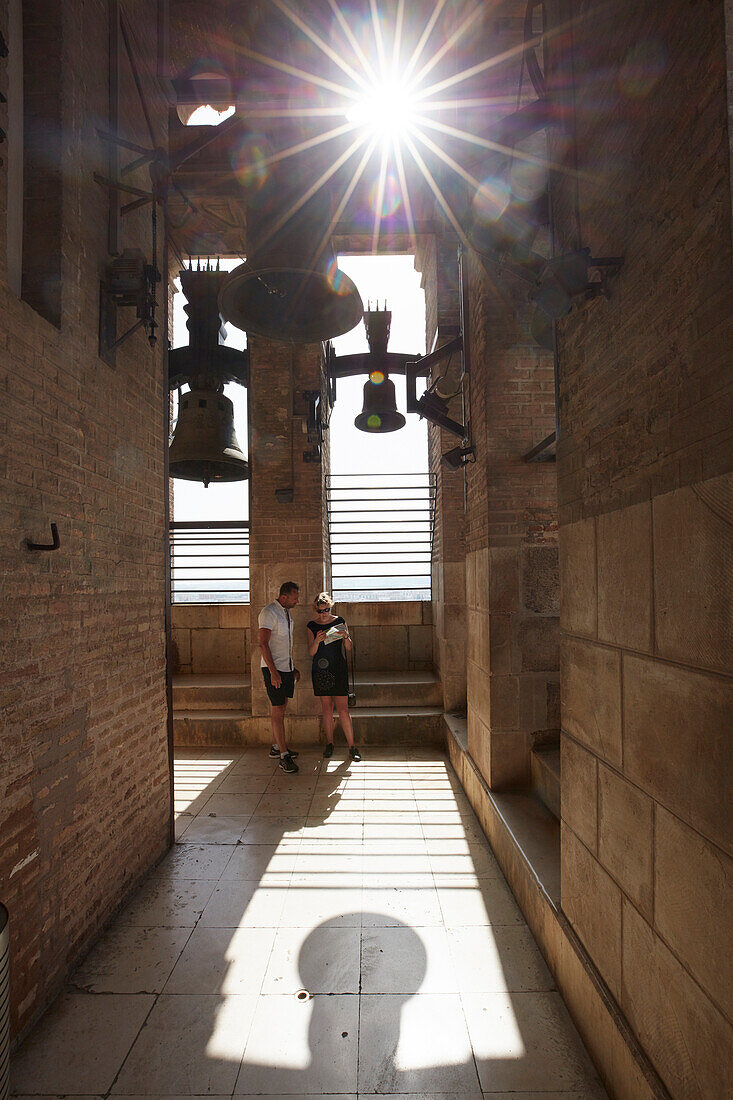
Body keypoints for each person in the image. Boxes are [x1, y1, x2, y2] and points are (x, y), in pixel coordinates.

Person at [307, 592, 361, 761]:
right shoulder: (311, 625)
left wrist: (346, 636)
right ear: (316, 610)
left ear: (331, 607)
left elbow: (349, 647)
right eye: (320, 611)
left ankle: (352, 746)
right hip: (321, 670)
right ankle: (329, 744)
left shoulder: (339, 621)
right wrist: (317, 641)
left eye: (326, 610)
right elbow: (311, 652)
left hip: (338, 668)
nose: (323, 615)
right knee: (327, 709)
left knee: (343, 710)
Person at [258, 581, 301, 773]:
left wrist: (292, 668)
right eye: (295, 597)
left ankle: (277, 747)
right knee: (278, 711)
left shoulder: (285, 612)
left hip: (286, 668)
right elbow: (263, 644)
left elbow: (284, 643)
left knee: (282, 706)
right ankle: (284, 756)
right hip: (273, 669)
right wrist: (273, 672)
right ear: (284, 597)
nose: (297, 601)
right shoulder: (269, 612)